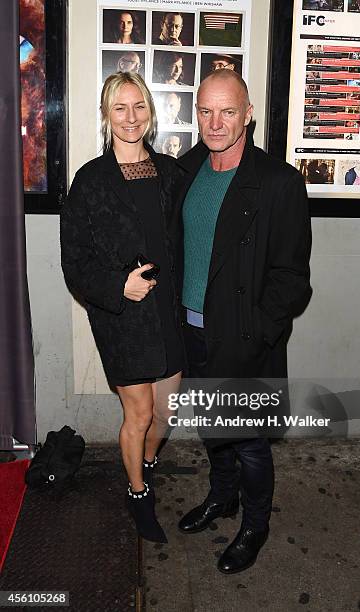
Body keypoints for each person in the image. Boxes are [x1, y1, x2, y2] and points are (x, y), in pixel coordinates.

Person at [172, 70, 312, 573]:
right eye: (206, 111)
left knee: (249, 439)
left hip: (243, 335)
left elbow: (292, 277)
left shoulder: (278, 182)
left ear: (248, 113)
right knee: (212, 427)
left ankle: (254, 524)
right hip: (191, 329)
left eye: (228, 111)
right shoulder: (186, 170)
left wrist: (258, 331)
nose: (215, 122)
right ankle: (221, 498)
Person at [60, 72, 184, 544]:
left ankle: (147, 463)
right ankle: (138, 493)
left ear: (150, 113)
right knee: (138, 414)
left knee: (164, 414)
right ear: (106, 115)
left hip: (169, 314)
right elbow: (75, 262)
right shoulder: (90, 181)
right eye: (120, 108)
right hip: (124, 320)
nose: (130, 117)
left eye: (139, 107)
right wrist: (118, 286)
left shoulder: (172, 174)